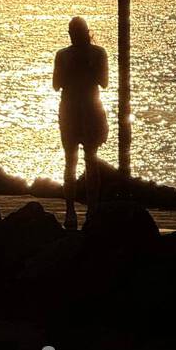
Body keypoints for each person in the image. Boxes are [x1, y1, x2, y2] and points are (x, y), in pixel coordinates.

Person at [53, 17, 109, 230]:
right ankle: (70, 210)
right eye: (72, 33)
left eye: (78, 33)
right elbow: (55, 85)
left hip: (91, 109)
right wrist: (69, 70)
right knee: (71, 161)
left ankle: (92, 209)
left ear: (86, 32)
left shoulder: (98, 53)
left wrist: (87, 67)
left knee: (91, 160)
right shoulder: (62, 55)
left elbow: (104, 82)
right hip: (69, 111)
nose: (75, 37)